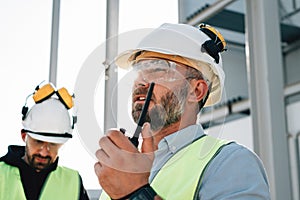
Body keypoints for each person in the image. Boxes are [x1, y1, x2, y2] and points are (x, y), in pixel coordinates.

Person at [94, 23, 270, 199]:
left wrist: (136, 194)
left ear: (196, 91)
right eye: (138, 71)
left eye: (158, 69)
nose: (140, 81)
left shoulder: (230, 163)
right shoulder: (119, 170)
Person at [0, 82, 89, 200]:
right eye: (38, 142)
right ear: (24, 136)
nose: (44, 152)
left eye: (52, 144)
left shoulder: (73, 181)